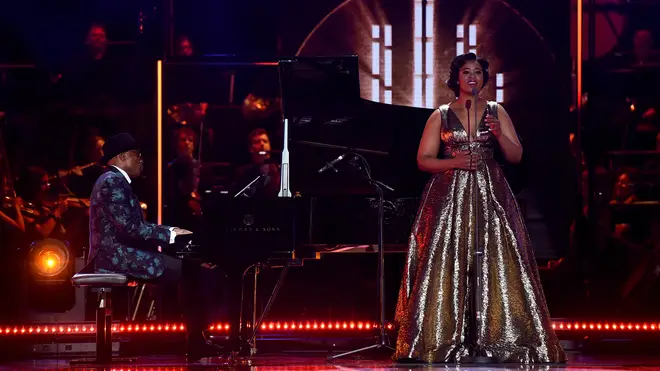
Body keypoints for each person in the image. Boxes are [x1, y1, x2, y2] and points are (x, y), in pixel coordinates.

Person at [394, 53, 566, 363]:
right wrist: (455, 162)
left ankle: (498, 336)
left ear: (483, 78)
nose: (472, 76)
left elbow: (516, 156)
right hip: (448, 197)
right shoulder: (441, 115)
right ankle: (443, 337)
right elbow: (423, 160)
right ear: (456, 78)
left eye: (477, 72)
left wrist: (499, 135)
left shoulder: (496, 112)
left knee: (496, 258)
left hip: (490, 192)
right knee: (447, 260)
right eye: (466, 72)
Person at [88, 133, 222, 361]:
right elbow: (130, 227)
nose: (141, 160)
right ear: (121, 157)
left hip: (119, 253)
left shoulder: (115, 181)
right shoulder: (112, 181)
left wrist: (169, 236)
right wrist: (170, 234)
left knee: (189, 267)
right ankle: (196, 343)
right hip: (113, 257)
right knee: (189, 271)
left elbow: (134, 227)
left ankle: (197, 340)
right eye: (137, 155)